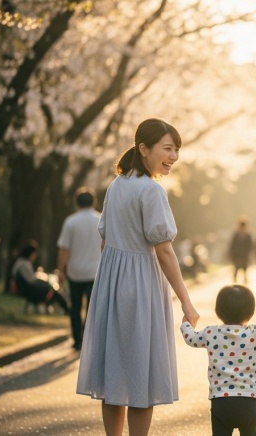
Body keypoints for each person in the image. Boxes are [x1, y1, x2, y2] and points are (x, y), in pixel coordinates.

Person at [76, 118, 200, 436]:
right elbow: (164, 251)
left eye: (176, 150)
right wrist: (186, 301)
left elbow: (105, 239)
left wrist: (113, 277)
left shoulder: (116, 186)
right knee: (141, 376)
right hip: (142, 284)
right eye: (167, 149)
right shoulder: (151, 190)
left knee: (115, 373)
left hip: (111, 284)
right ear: (144, 149)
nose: (173, 157)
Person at [180, 284, 256, 436]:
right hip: (248, 400)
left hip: (220, 401)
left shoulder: (210, 333)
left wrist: (186, 323)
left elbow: (191, 338)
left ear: (218, 311)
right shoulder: (254, 333)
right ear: (250, 312)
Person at [56, 187, 102, 351]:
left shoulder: (70, 222)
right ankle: (89, 340)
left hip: (75, 272)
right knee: (92, 309)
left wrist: (60, 270)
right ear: (94, 202)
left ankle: (77, 340)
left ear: (77, 203)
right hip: (96, 272)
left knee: (75, 307)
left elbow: (64, 249)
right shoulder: (101, 219)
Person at [11, 241, 69, 315]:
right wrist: (42, 279)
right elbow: (31, 280)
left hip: (27, 289)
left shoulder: (20, 262)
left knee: (52, 290)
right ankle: (67, 309)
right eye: (34, 255)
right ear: (31, 254)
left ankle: (62, 308)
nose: (35, 257)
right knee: (54, 291)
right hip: (30, 291)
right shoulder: (24, 265)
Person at [228, 217, 253, 284]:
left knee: (244, 271)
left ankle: (244, 285)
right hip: (237, 256)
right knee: (236, 270)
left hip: (244, 256)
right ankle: (235, 284)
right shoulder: (236, 235)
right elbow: (232, 246)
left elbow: (250, 246)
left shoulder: (247, 235)